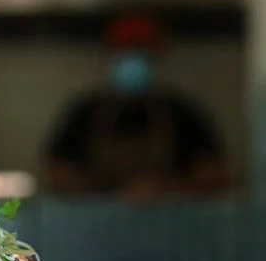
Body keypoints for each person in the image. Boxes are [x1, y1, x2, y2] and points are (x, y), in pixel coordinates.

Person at [45, 15, 229, 199]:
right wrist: (108, 194)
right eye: (124, 50)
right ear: (110, 55)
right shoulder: (85, 113)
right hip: (97, 224)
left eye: (141, 49)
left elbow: (213, 174)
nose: (132, 57)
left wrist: (164, 190)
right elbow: (56, 170)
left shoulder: (183, 114)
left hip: (169, 224)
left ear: (158, 56)